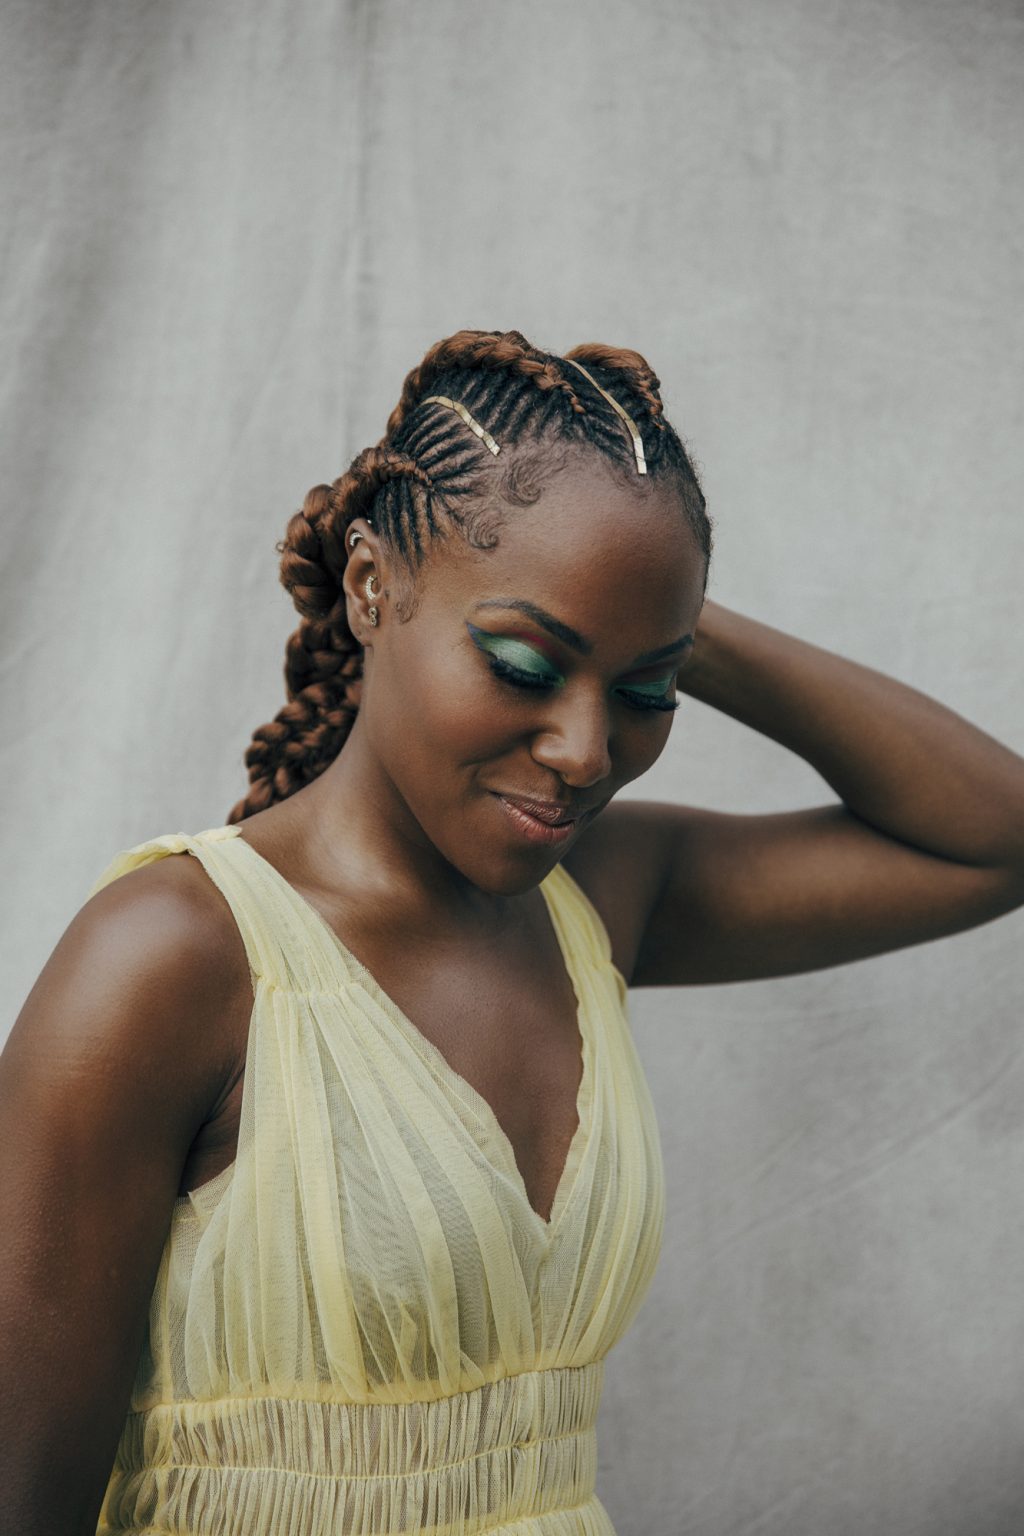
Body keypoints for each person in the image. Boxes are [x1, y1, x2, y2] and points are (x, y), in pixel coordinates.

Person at [2, 328, 1022, 1536]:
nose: (587, 751)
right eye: (525, 662)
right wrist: (619, 617)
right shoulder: (172, 956)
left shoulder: (600, 896)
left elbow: (993, 838)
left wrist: (649, 605)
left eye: (645, 693)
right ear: (371, 587)